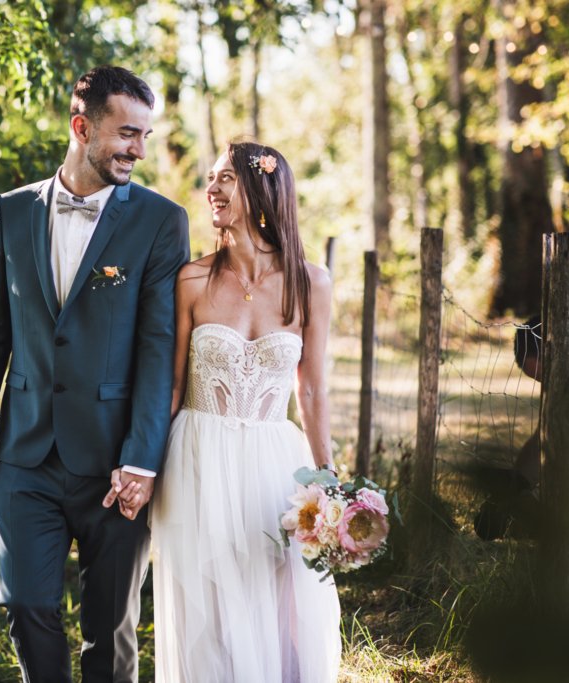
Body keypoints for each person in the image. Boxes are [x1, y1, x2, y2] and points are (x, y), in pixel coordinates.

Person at [0, 65, 190, 683]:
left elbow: (158, 347)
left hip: (116, 464)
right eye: (126, 134)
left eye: (145, 136)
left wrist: (142, 459)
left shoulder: (161, 222)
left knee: (110, 627)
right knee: (28, 605)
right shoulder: (12, 212)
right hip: (25, 456)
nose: (138, 149)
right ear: (82, 127)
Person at [150, 141, 341, 682]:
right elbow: (171, 386)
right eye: (210, 178)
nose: (211, 189)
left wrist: (327, 480)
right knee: (206, 605)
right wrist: (144, 466)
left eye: (225, 178)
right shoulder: (191, 279)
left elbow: (312, 392)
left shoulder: (312, 283)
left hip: (273, 459)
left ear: (262, 190)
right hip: (198, 455)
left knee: (279, 596)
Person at [474, 309, 569, 540]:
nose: (548, 384)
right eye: (542, 380)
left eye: (548, 375)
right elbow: (547, 431)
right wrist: (514, 490)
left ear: (559, 346)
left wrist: (543, 501)